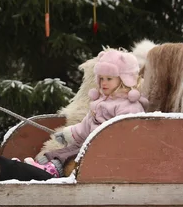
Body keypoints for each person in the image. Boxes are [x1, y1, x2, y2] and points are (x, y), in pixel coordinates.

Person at [25, 49, 148, 177]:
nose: (103, 83)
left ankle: (51, 170)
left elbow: (125, 132)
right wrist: (68, 134)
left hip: (107, 151)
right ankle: (39, 166)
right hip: (90, 144)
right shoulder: (100, 102)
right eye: (101, 79)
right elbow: (85, 126)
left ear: (123, 80)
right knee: (65, 150)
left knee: (73, 154)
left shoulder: (128, 105)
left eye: (109, 79)